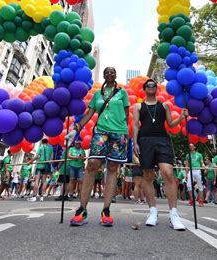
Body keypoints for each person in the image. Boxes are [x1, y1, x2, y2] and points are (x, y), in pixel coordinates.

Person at [67, 67, 130, 227]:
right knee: (92, 164)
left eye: (112, 72)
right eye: (107, 72)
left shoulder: (122, 93)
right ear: (103, 75)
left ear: (116, 75)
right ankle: (82, 209)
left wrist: (124, 132)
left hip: (119, 133)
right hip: (101, 132)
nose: (109, 74)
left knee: (113, 168)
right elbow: (88, 114)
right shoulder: (97, 95)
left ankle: (106, 210)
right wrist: (76, 129)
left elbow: (126, 113)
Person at [133, 78, 186, 230]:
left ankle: (174, 214)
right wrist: (135, 143)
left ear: (156, 89)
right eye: (148, 85)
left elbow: (170, 125)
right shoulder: (138, 106)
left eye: (153, 85)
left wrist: (181, 117)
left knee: (168, 173)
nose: (151, 87)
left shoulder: (165, 105)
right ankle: (153, 212)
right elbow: (135, 125)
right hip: (145, 141)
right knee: (148, 176)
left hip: (162, 140)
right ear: (144, 89)